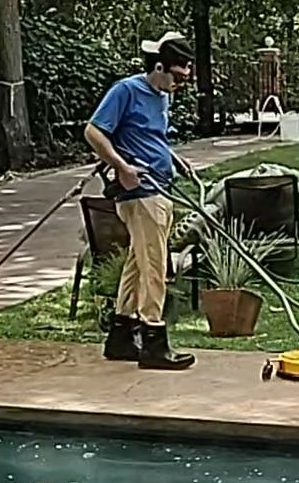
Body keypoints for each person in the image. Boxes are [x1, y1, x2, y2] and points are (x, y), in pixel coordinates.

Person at [84, 32, 196, 371]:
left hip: (159, 188)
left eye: (185, 79)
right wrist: (122, 167)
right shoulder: (126, 91)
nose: (180, 84)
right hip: (140, 193)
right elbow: (93, 132)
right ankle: (154, 341)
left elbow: (148, 137)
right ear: (159, 67)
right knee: (155, 267)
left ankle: (120, 336)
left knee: (138, 261)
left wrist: (173, 158)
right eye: (177, 77)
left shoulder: (162, 96)